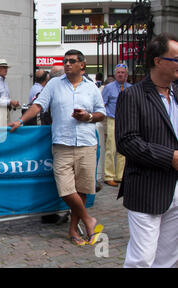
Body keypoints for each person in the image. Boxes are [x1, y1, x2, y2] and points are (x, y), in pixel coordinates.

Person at [9, 49, 106, 246]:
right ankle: (89, 219)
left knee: (82, 190)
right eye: (65, 61)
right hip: (62, 143)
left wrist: (87, 116)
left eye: (72, 61)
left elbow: (101, 113)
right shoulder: (54, 84)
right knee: (65, 189)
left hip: (87, 144)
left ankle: (73, 228)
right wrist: (20, 120)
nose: (67, 64)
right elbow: (38, 106)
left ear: (82, 65)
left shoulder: (91, 87)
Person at [115, 33, 178, 268]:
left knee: (169, 258)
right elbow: (127, 142)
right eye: (176, 59)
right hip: (147, 188)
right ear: (158, 61)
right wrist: (169, 157)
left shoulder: (177, 93)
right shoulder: (133, 95)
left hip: (176, 188)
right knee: (141, 259)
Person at [101, 64, 131, 187]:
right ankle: (109, 175)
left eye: (122, 72)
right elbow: (102, 103)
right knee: (110, 148)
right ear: (115, 74)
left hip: (126, 121)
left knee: (123, 149)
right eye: (118, 72)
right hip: (112, 119)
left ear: (127, 75)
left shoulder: (131, 88)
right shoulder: (108, 88)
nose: (120, 74)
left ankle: (120, 175)